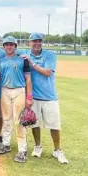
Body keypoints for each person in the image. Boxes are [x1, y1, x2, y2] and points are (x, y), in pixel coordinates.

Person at [19, 33, 68, 164]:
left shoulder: (49, 55)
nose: (37, 43)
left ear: (42, 42)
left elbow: (47, 73)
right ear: (30, 42)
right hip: (34, 96)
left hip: (50, 96)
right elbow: (9, 50)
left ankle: (57, 150)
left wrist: (31, 62)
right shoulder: (24, 52)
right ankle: (37, 146)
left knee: (54, 125)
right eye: (34, 41)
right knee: (35, 123)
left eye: (39, 41)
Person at [0, 36, 33, 163]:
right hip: (5, 90)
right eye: (6, 44)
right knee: (6, 119)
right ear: (3, 46)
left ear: (15, 46)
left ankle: (22, 150)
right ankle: (6, 144)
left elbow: (28, 78)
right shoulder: (1, 60)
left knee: (19, 121)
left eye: (11, 44)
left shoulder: (22, 59)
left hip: (19, 91)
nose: (9, 46)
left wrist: (29, 96)